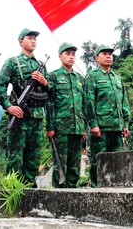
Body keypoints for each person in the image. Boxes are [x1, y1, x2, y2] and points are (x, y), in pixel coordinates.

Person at [0, 28, 49, 187]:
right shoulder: (12, 62)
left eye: (35, 38)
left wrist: (44, 82)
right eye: (29, 38)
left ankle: (29, 190)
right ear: (21, 41)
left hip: (37, 118)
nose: (33, 41)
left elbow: (50, 93)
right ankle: (12, 192)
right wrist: (8, 107)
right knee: (16, 158)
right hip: (19, 117)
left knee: (34, 157)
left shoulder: (40, 65)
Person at [85, 44, 131, 188]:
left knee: (116, 160)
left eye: (110, 54)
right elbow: (88, 102)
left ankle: (115, 188)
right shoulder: (92, 76)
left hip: (117, 127)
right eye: (104, 53)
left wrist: (125, 124)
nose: (108, 56)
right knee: (98, 160)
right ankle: (96, 188)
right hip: (101, 127)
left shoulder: (117, 78)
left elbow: (124, 103)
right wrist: (93, 124)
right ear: (97, 58)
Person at [45, 42, 86, 188]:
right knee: (60, 164)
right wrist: (50, 127)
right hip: (60, 128)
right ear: (60, 56)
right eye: (67, 54)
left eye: (73, 54)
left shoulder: (80, 79)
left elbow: (84, 104)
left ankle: (73, 193)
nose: (71, 57)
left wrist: (84, 127)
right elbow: (49, 103)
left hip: (77, 127)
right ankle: (59, 196)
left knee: (75, 164)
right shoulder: (53, 76)